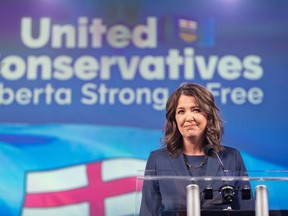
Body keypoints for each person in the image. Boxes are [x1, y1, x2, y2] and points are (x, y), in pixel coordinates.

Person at [140, 83, 254, 215]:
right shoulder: (158, 160)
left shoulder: (231, 158)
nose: (189, 118)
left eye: (196, 110)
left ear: (208, 116)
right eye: (181, 111)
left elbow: (247, 211)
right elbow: (147, 212)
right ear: (174, 119)